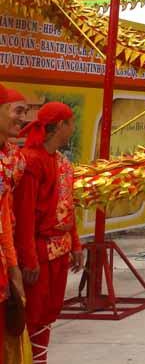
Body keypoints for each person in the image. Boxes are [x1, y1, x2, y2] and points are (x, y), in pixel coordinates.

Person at [15, 102, 84, 363]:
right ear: (61, 126)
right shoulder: (31, 161)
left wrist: (75, 244)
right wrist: (29, 259)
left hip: (59, 250)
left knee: (48, 313)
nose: (73, 128)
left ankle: (40, 359)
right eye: (71, 123)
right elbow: (24, 216)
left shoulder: (62, 162)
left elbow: (68, 206)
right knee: (32, 314)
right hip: (40, 251)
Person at [0, 85, 27, 358]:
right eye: (17, 111)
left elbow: (5, 217)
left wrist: (13, 265)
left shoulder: (16, 159)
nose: (23, 119)